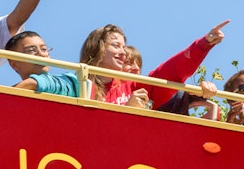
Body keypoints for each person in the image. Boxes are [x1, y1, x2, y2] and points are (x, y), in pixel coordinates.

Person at [79, 21, 228, 109]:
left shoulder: (134, 87)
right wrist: (127, 110)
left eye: (123, 47)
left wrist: (203, 45)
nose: (123, 53)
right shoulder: (77, 84)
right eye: (116, 46)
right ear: (98, 48)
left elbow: (171, 71)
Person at [6, 30, 79, 97]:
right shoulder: (16, 99)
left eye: (44, 49)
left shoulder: (68, 80)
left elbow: (44, 82)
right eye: (31, 50)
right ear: (14, 64)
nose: (41, 54)